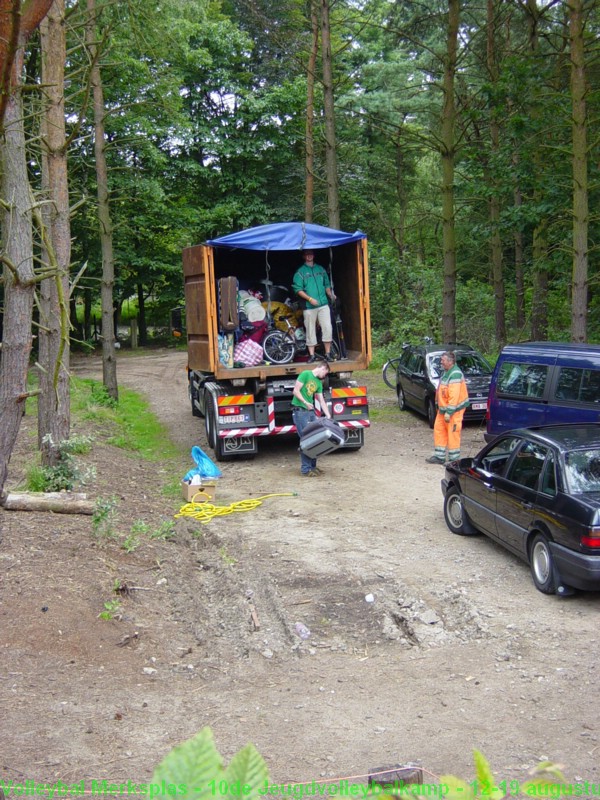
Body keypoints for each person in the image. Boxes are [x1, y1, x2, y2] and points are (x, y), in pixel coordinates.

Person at [292, 249, 336, 362]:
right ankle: (311, 355)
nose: (309, 256)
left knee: (327, 328)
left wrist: (330, 295)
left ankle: (327, 354)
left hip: (323, 304)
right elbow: (297, 289)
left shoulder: (320, 269)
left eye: (310, 254)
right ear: (303, 256)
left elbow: (326, 284)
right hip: (309, 306)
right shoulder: (300, 272)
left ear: (313, 255)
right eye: (307, 254)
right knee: (310, 330)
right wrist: (310, 299)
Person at [426, 350, 469, 464]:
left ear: (450, 362)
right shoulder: (447, 372)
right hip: (443, 410)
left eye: (443, 360)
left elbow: (453, 396)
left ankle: (454, 460)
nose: (441, 362)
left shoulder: (455, 374)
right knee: (439, 430)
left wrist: (449, 412)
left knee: (453, 434)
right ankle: (439, 456)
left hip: (453, 412)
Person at [291, 362, 332, 476]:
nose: (325, 376)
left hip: (310, 412)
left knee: (316, 438)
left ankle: (312, 467)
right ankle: (306, 469)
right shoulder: (305, 374)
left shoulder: (318, 383)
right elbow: (296, 391)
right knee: (306, 439)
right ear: (323, 368)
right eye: (326, 373)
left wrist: (328, 414)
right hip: (300, 410)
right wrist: (305, 402)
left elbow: (321, 400)